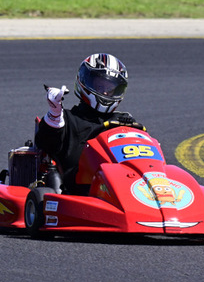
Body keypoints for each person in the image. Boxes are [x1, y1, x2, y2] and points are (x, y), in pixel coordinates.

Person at [35, 53, 139, 195]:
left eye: (110, 88)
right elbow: (45, 143)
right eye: (100, 85)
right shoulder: (67, 119)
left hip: (125, 189)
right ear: (84, 81)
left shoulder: (125, 122)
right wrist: (54, 113)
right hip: (81, 191)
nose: (105, 92)